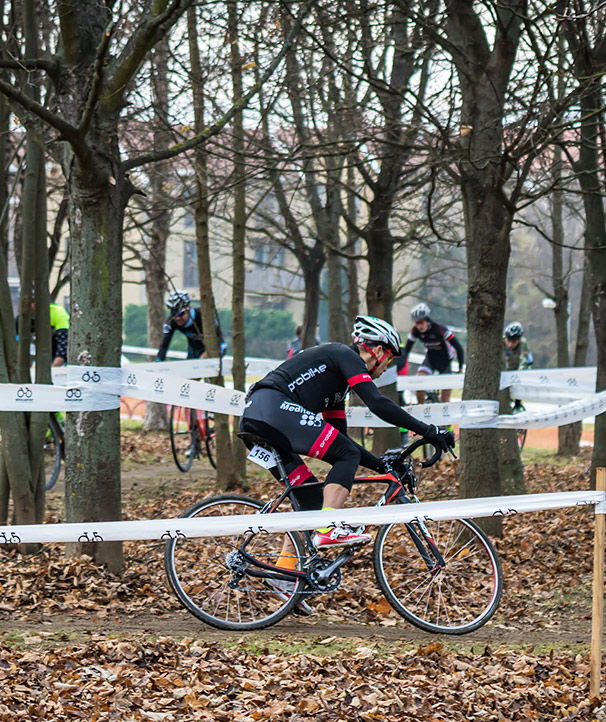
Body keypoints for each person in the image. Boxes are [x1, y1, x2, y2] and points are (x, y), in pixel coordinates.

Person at [400, 303, 465, 403]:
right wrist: (402, 364)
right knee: (418, 383)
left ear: (427, 320)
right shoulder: (415, 331)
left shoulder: (440, 330)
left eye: (421, 322)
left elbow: (459, 348)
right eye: (416, 323)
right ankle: (421, 407)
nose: (419, 326)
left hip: (445, 361)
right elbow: (407, 350)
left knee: (444, 399)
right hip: (430, 359)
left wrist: (460, 367)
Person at [156, 290, 226, 361]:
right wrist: (158, 361)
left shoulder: (204, 317)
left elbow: (218, 338)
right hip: (194, 348)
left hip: (217, 345)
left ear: (189, 309)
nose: (177, 318)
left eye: (181, 314)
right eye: (174, 315)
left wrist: (205, 354)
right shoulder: (171, 321)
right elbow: (164, 346)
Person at [16, 301, 70, 367]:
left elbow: (64, 342)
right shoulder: (20, 319)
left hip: (56, 357)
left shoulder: (57, 312)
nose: (32, 306)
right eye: (30, 301)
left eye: (34, 301)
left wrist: (55, 366)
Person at [503, 321, 533, 411]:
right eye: (508, 341)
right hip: (507, 367)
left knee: (520, 379)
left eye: (514, 342)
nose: (510, 345)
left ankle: (517, 403)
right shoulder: (501, 341)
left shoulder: (523, 344)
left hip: (518, 367)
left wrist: (518, 375)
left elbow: (524, 361)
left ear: (519, 340)